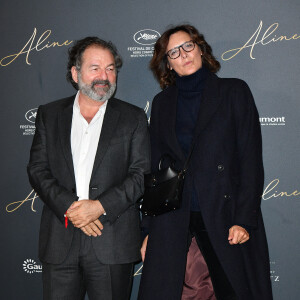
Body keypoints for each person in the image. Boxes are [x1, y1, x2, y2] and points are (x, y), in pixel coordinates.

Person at [138, 25, 273, 300]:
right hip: (174, 217)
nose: (184, 54)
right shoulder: (162, 103)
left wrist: (244, 220)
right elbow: (156, 169)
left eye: (188, 45)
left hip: (225, 216)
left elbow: (250, 160)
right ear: (168, 64)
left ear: (200, 48)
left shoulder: (234, 91)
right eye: (173, 52)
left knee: (233, 291)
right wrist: (148, 230)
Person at [27, 37, 150, 300]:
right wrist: (71, 208)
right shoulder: (49, 114)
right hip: (60, 241)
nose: (104, 76)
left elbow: (140, 175)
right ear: (75, 73)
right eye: (95, 68)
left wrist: (99, 207)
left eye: (110, 69)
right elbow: (37, 169)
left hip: (112, 240)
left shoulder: (133, 117)